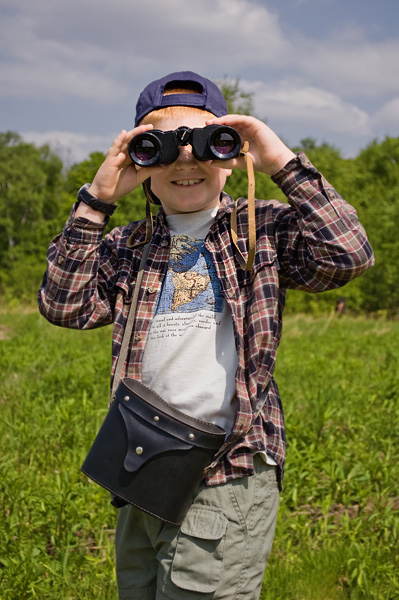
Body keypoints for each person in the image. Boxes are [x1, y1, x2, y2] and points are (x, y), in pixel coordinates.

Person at [38, 71, 374, 600]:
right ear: (139, 161)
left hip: (226, 470)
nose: (185, 160)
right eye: (161, 148)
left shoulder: (261, 228)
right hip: (140, 467)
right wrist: (97, 199)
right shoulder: (129, 245)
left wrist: (277, 158)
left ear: (229, 153)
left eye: (204, 142)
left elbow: (348, 254)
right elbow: (63, 305)